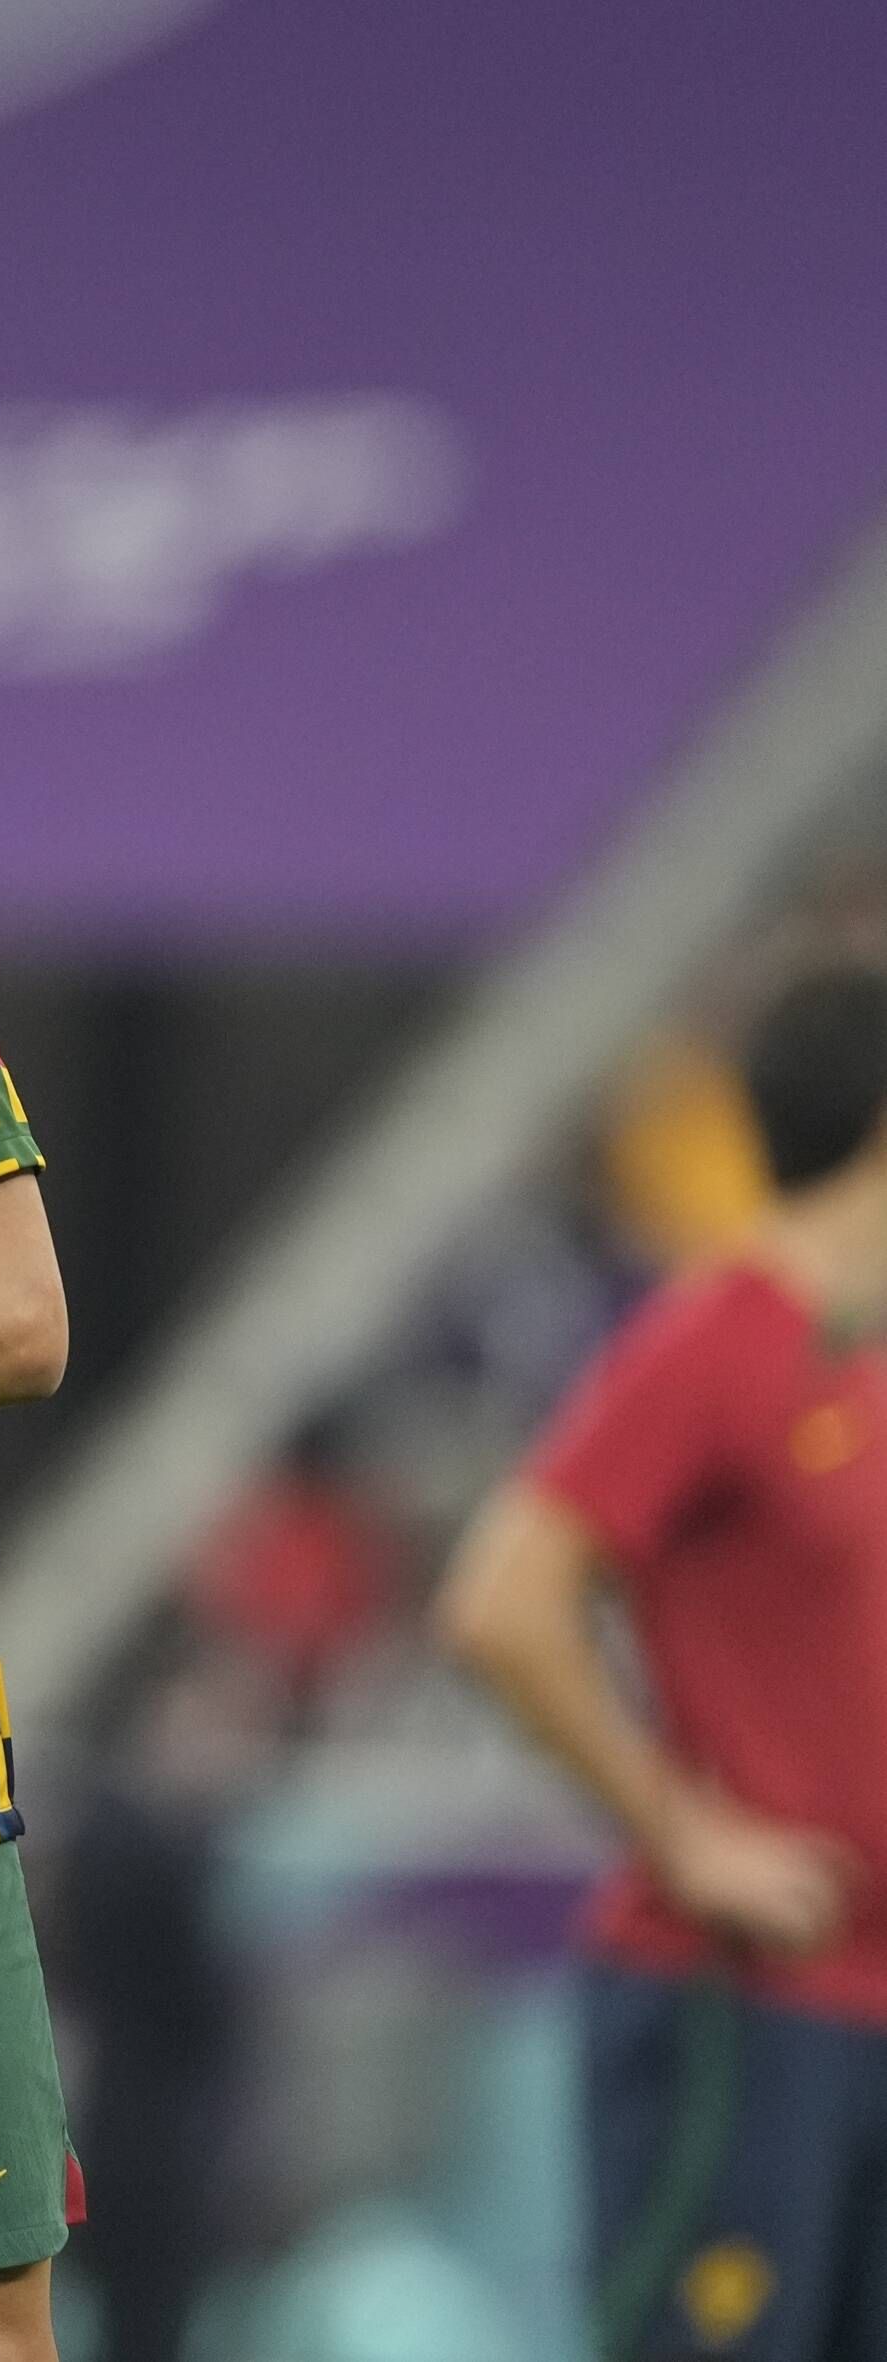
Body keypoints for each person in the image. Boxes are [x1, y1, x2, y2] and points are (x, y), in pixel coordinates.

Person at [438, 961, 887, 2362]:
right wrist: (686, 1832)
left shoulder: (862, 1358)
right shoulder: (721, 1336)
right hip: (746, 2010)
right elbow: (503, 1599)